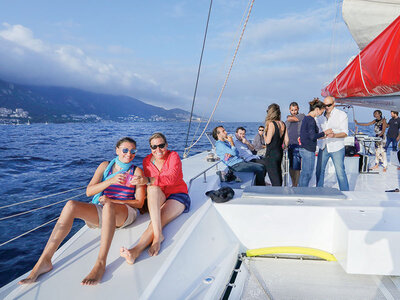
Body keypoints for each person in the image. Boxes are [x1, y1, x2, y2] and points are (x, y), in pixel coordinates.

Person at [19, 137, 145, 285]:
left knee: (109, 207)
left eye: (132, 151)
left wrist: (113, 201)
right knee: (70, 205)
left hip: (124, 212)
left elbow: (139, 203)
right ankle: (44, 261)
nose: (128, 154)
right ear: (117, 150)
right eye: (125, 150)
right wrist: (110, 181)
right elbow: (89, 192)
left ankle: (100, 263)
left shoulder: (136, 171)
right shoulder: (105, 166)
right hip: (103, 208)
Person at [120, 133, 190, 264]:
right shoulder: (146, 161)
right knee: (151, 188)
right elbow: (149, 185)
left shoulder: (173, 156)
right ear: (150, 148)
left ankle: (140, 247)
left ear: (166, 145)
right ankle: (153, 239)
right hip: (160, 196)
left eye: (161, 145)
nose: (158, 150)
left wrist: (148, 180)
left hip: (177, 195)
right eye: (154, 147)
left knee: (159, 219)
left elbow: (172, 178)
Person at [316, 96, 350, 191]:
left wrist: (333, 135)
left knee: (340, 172)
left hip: (337, 147)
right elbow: (317, 132)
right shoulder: (320, 117)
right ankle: (318, 191)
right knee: (319, 171)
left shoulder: (341, 115)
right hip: (323, 146)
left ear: (334, 104)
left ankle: (346, 192)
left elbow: (345, 133)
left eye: (329, 105)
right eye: (324, 105)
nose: (326, 107)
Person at [298, 99, 332, 187]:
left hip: (304, 148)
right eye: (322, 111)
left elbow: (309, 135)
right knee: (307, 174)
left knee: (304, 173)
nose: (321, 113)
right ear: (317, 109)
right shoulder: (311, 120)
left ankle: (300, 191)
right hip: (308, 150)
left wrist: (323, 136)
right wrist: (325, 132)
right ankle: (302, 193)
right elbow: (313, 136)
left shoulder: (306, 118)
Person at [262, 103, 289, 186]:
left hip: (271, 154)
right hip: (279, 152)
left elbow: (268, 141)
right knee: (278, 174)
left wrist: (264, 134)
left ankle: (277, 194)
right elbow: (287, 140)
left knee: (274, 178)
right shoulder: (283, 124)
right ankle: (279, 192)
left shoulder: (271, 124)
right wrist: (283, 147)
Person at [285, 102, 305, 187]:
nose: (294, 112)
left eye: (295, 110)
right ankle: (293, 183)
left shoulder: (301, 116)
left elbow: (291, 119)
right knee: (291, 166)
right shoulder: (287, 121)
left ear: (298, 109)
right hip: (289, 145)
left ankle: (295, 184)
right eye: (292, 110)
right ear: (289, 110)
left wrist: (288, 117)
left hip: (298, 145)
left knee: (297, 166)